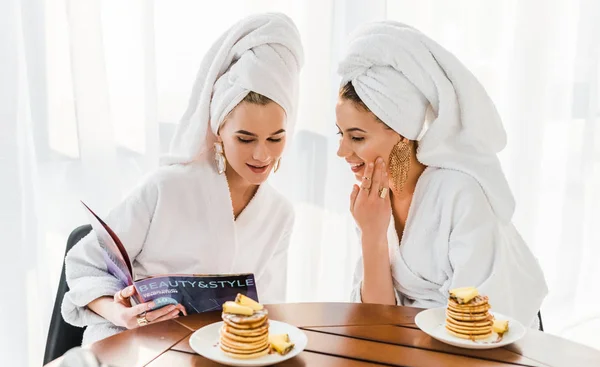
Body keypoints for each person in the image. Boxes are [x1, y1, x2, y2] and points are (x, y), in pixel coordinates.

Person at [62, 13, 304, 344]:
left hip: (217, 355)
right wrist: (121, 314)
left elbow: (270, 309)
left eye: (275, 139)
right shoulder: (167, 187)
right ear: (219, 131)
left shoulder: (280, 214)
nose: (262, 155)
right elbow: (84, 263)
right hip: (131, 345)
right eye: (245, 139)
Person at [335, 21, 547, 326]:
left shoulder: (459, 194)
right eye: (339, 134)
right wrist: (372, 234)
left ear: (401, 133)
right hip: (423, 345)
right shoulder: (374, 202)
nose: (342, 151)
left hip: (496, 344)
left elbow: (475, 318)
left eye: (357, 137)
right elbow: (376, 318)